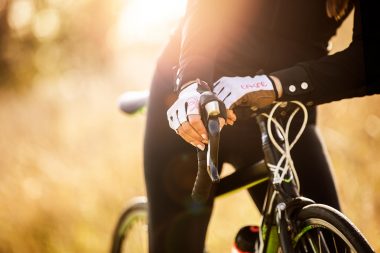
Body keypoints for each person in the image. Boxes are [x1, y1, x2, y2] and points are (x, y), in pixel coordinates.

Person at [145, 0, 374, 252]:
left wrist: (274, 85)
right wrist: (191, 84)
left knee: (330, 247)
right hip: (198, 97)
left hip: (283, 103)